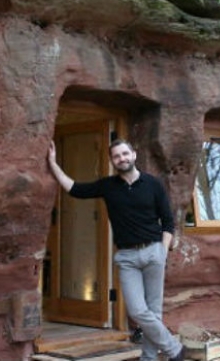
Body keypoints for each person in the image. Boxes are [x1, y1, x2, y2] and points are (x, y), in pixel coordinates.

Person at [47, 138, 186, 361]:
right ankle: (174, 349)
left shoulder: (153, 184)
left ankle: (148, 359)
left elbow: (168, 222)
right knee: (138, 311)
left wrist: (162, 251)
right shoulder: (108, 186)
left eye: (124, 154)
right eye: (116, 156)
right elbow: (75, 189)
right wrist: (53, 164)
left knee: (154, 312)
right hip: (127, 257)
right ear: (112, 161)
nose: (121, 159)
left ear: (134, 155)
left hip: (153, 253)